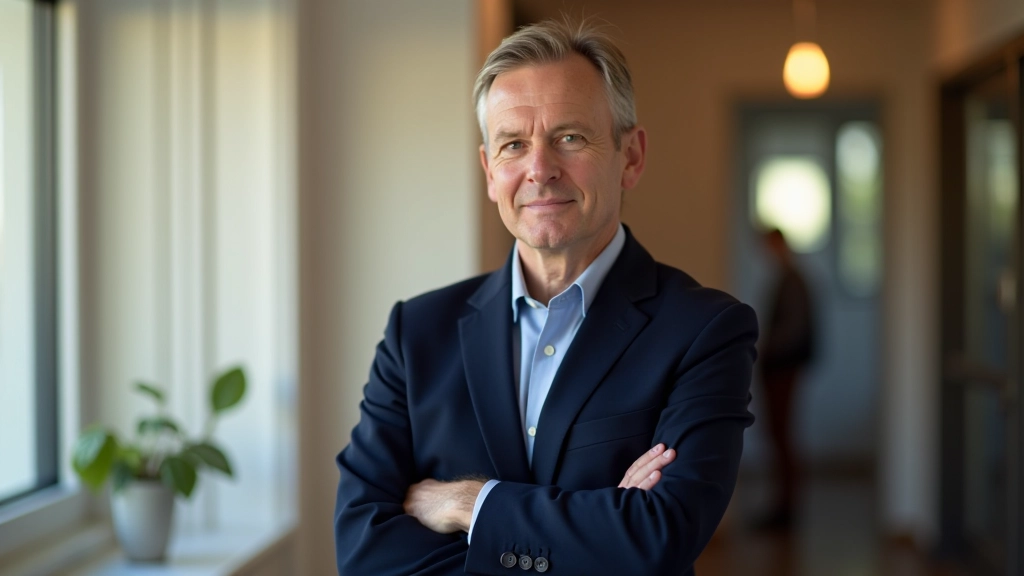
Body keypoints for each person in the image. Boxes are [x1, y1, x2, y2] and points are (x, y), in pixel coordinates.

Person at [335, 19, 758, 575]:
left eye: (570, 137)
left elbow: (661, 536)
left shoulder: (706, 331)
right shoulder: (415, 334)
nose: (540, 169)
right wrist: (605, 526)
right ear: (490, 172)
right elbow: (364, 553)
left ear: (631, 156)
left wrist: (467, 503)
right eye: (514, 145)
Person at [756, 228, 816, 530]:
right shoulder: (788, 279)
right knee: (779, 435)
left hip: (783, 367)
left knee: (782, 435)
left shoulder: (792, 281)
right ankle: (784, 505)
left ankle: (787, 509)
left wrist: (764, 345)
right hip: (780, 367)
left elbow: (793, 330)